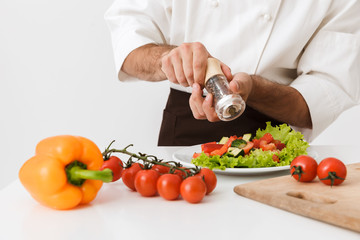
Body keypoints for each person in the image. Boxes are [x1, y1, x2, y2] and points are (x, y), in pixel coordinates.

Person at [105, 0, 360, 146]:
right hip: (185, 125)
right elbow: (130, 45)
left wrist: (254, 89)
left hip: (272, 136)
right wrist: (169, 59)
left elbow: (322, 97)